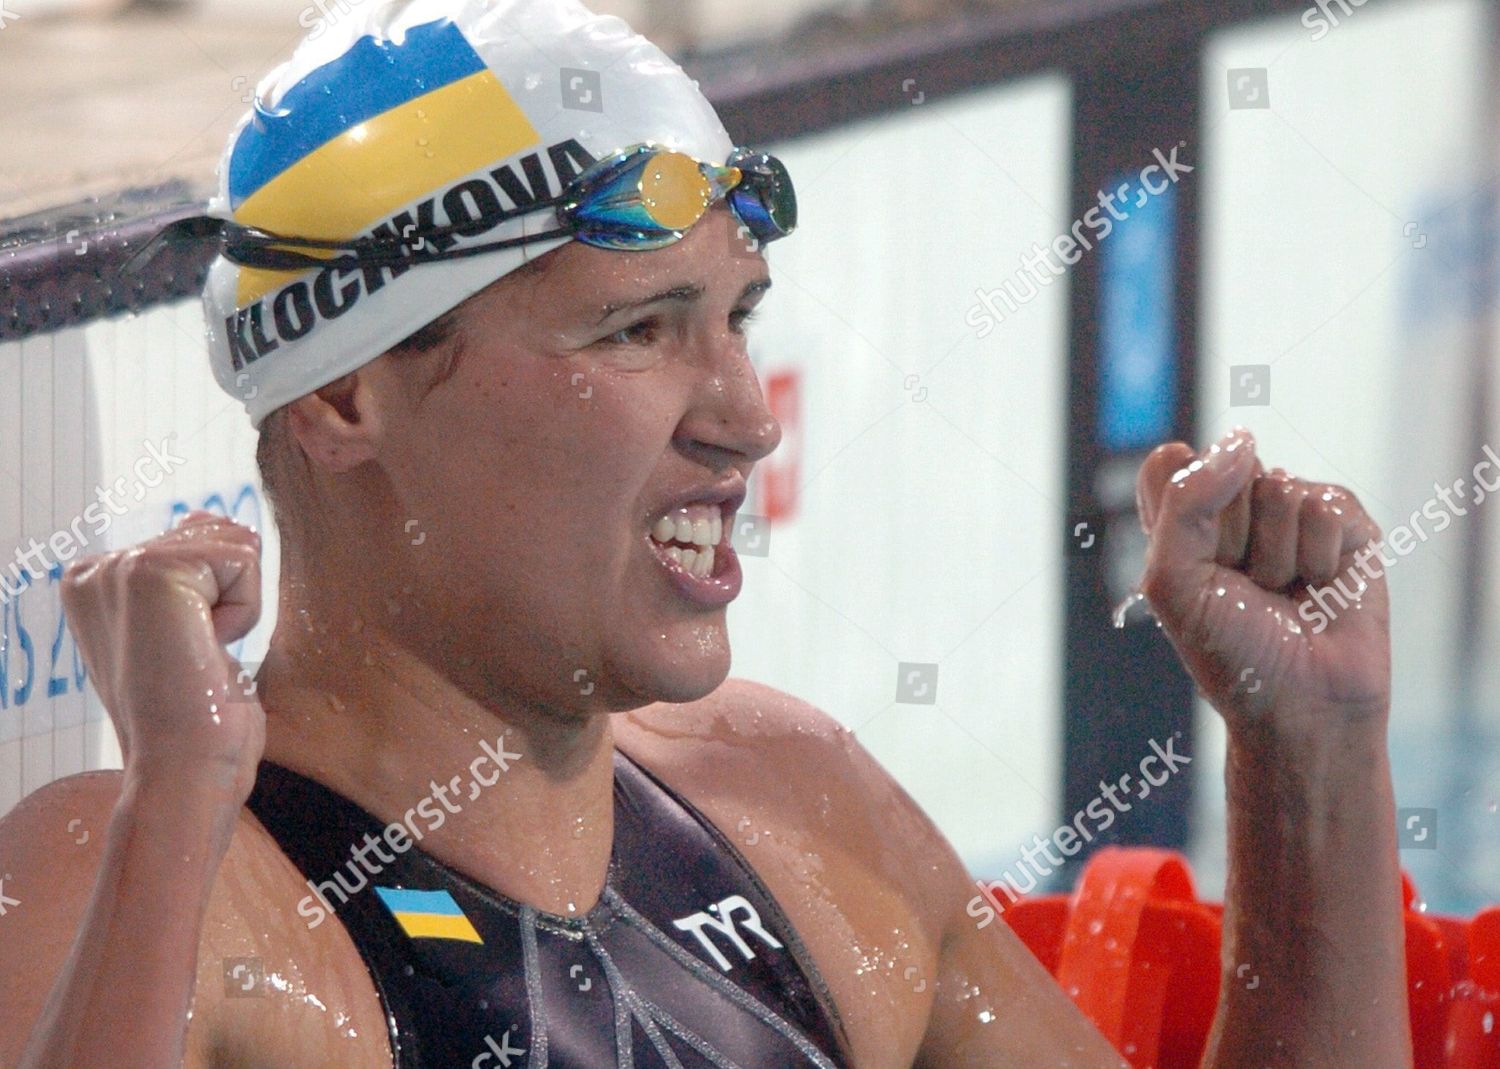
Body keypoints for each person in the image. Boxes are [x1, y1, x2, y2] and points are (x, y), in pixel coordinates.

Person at [0, 0, 1412, 1065]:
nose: (744, 415)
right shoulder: (163, 879)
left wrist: (1315, 761)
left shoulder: (796, 809)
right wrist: (176, 800)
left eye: (736, 317)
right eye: (638, 329)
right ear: (348, 395)